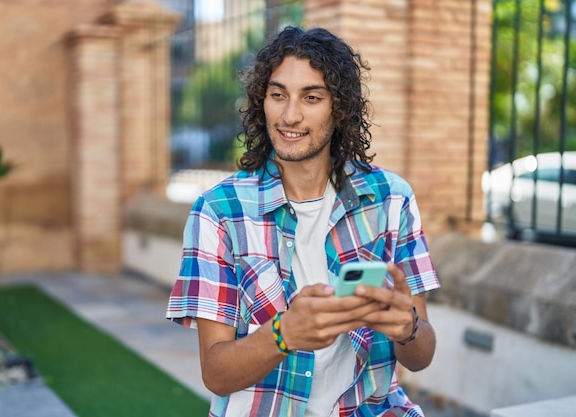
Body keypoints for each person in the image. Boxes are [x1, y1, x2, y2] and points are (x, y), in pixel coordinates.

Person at [166, 26, 440, 417]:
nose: (290, 115)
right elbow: (216, 372)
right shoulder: (220, 211)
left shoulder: (390, 199)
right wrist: (284, 334)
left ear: (339, 107)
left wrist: (407, 329)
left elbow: (421, 355)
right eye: (278, 95)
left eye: (311, 97)